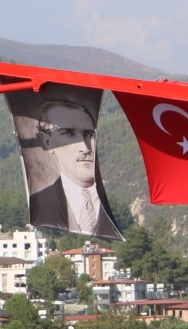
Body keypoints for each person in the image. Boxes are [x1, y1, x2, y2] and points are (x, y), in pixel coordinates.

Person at [25, 95, 122, 239]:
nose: (85, 147)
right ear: (47, 141)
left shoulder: (117, 204)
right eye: (68, 134)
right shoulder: (41, 202)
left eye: (89, 135)